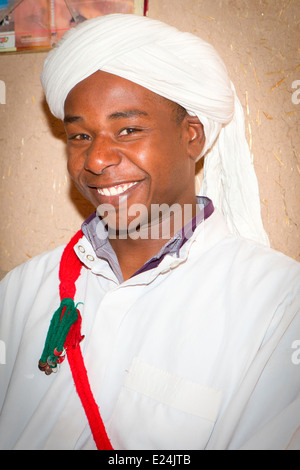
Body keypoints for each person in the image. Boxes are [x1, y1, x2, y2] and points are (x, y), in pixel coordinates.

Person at [0, 14, 299, 451]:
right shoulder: (20, 289)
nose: (97, 158)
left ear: (192, 136)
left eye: (129, 129)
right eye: (80, 135)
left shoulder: (278, 301)